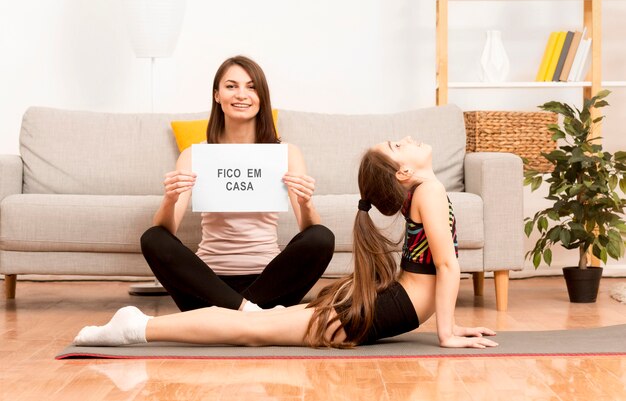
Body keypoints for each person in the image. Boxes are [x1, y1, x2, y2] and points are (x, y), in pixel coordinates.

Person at [75, 136, 498, 349]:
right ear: (403, 173)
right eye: (397, 145)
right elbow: (445, 266)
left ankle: (137, 326)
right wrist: (447, 332)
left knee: (259, 324)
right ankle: (136, 328)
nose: (407, 140)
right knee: (254, 330)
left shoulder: (422, 190)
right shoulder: (427, 191)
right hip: (392, 307)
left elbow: (439, 264)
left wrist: (450, 325)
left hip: (394, 304)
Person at [140, 55, 335, 312]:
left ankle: (231, 316)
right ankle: (250, 314)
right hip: (207, 284)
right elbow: (168, 228)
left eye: (251, 87)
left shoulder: (286, 153)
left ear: (261, 96)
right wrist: (170, 199)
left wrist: (305, 201)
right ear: (217, 95)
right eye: (231, 86)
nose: (241, 94)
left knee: (322, 237)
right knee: (153, 238)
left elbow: (308, 228)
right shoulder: (195, 154)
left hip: (268, 282)